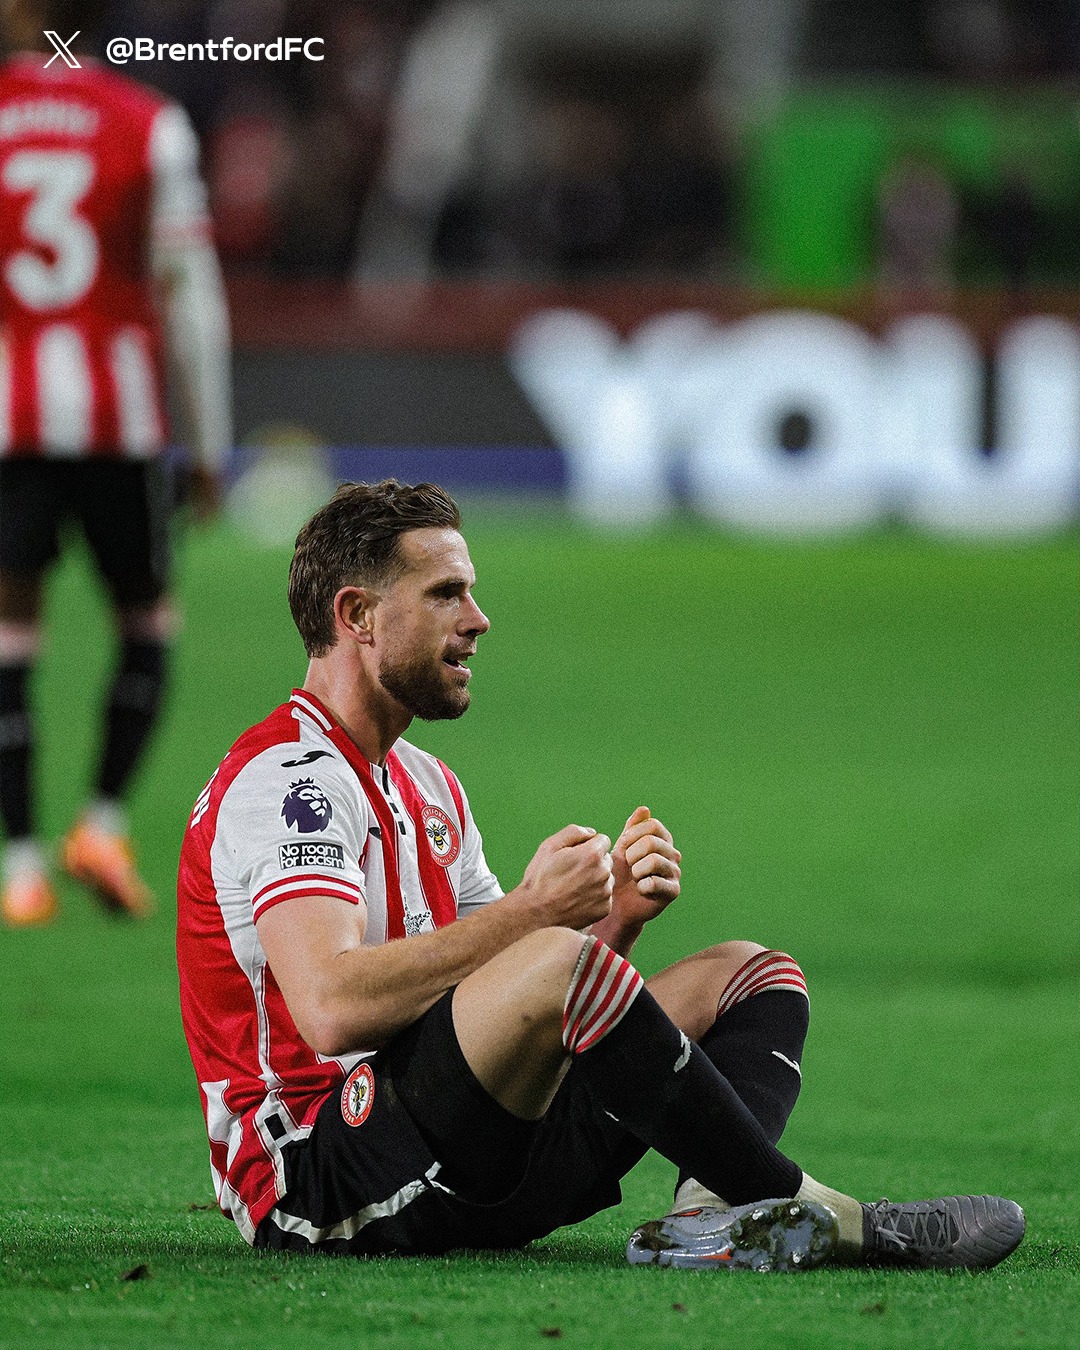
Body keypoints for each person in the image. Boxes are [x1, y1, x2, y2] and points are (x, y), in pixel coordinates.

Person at [176, 480, 1025, 1271]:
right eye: (446, 594)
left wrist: (613, 923)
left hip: (454, 1153)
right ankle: (816, 1211)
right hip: (318, 1179)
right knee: (554, 959)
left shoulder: (426, 784)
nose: (478, 619)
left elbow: (507, 1007)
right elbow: (332, 1009)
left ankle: (717, 1219)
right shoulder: (291, 785)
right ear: (357, 614)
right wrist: (538, 914)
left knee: (750, 973)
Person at [0, 1, 231, 925]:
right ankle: (100, 822)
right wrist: (209, 444)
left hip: (11, 420)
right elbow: (191, 294)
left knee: (11, 635)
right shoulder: (148, 119)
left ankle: (19, 867)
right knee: (147, 621)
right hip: (118, 418)